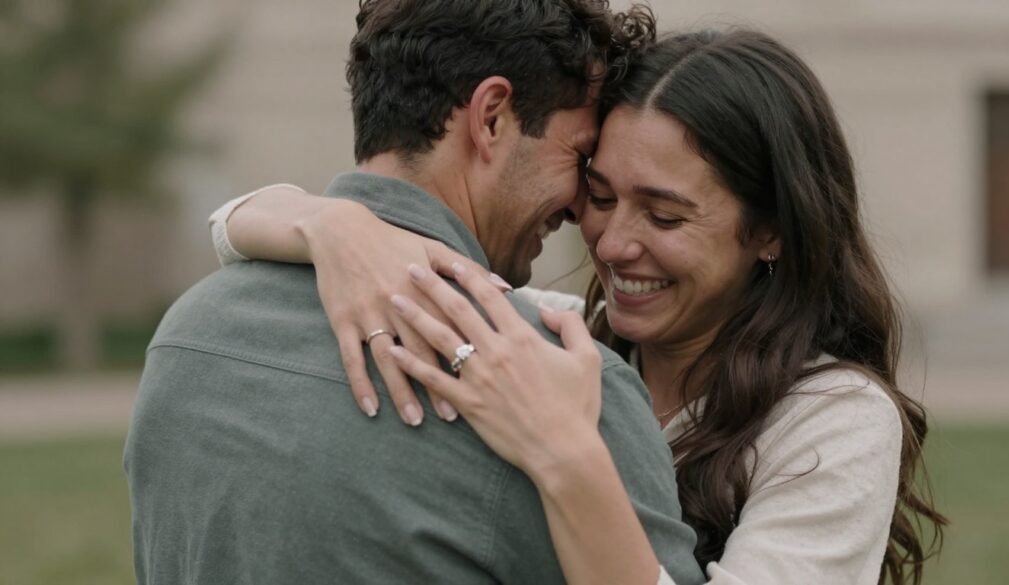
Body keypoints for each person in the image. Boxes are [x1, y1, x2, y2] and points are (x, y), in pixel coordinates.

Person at [209, 29, 948, 584]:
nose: (615, 243)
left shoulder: (833, 417)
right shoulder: (546, 332)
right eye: (599, 197)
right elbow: (229, 225)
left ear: (770, 232)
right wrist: (337, 226)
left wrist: (564, 452)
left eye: (664, 216)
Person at [124, 2, 707, 585]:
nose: (582, 205)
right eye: (578, 156)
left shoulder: (184, 337)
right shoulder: (568, 386)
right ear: (493, 118)